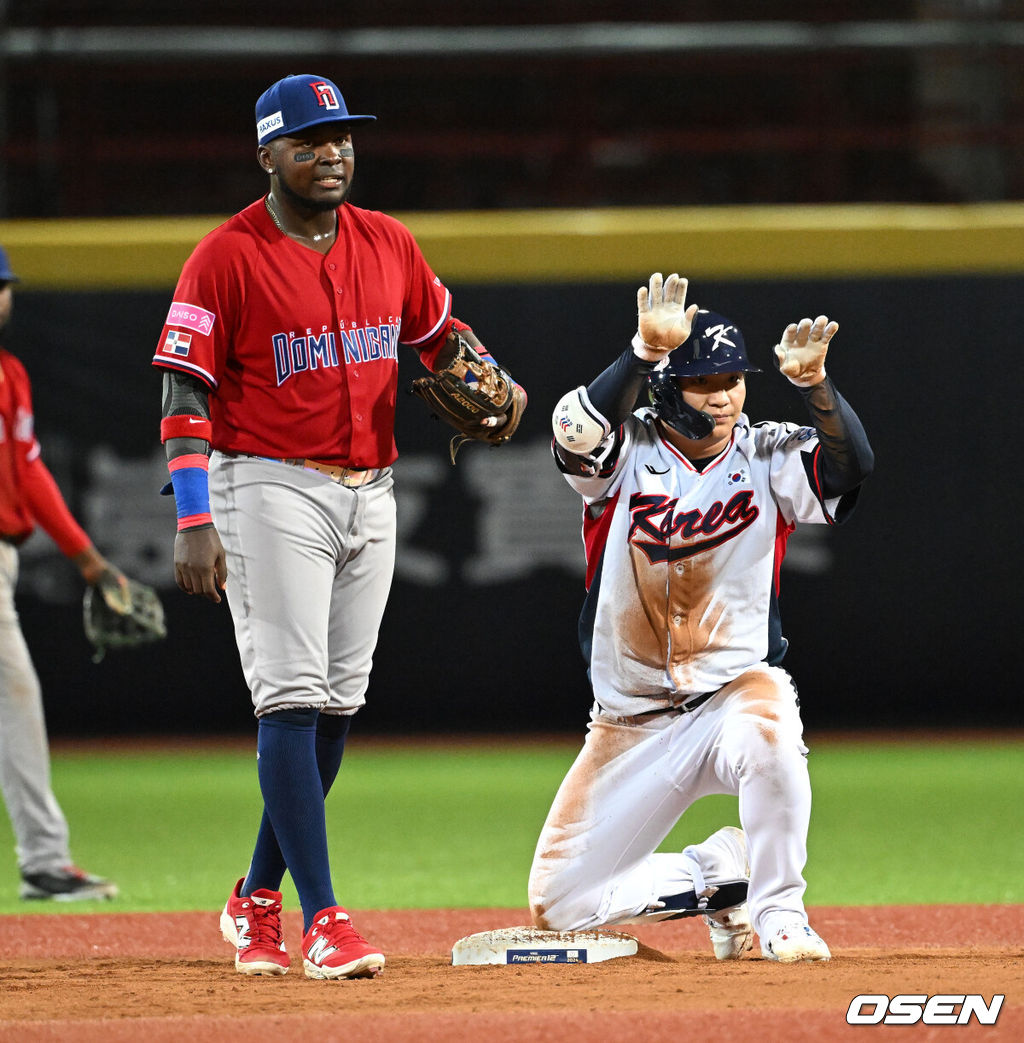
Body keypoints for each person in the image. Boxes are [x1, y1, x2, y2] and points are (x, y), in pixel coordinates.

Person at [153, 74, 523, 980]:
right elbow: (183, 391)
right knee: (289, 695)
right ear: (268, 154)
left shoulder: (388, 241)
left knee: (336, 712)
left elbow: (441, 338)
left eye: (343, 137)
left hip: (373, 487)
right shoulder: (224, 257)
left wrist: (495, 378)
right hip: (268, 484)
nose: (333, 153)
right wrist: (196, 516)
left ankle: (254, 896)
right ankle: (324, 918)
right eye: (311, 140)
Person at [530, 272, 873, 962]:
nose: (722, 397)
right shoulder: (625, 451)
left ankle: (781, 914)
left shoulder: (767, 452)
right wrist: (640, 353)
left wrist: (817, 390)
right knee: (561, 905)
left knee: (772, 730)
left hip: (730, 695)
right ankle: (720, 875)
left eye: (732, 381)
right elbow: (572, 435)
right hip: (629, 721)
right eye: (702, 383)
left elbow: (850, 465)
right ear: (666, 389)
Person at [0, 244, 120, 901]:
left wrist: (90, 560)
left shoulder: (10, 373)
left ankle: (45, 859)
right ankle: (44, 858)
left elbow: (29, 472)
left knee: (16, 697)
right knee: (14, 696)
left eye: (1, 286)